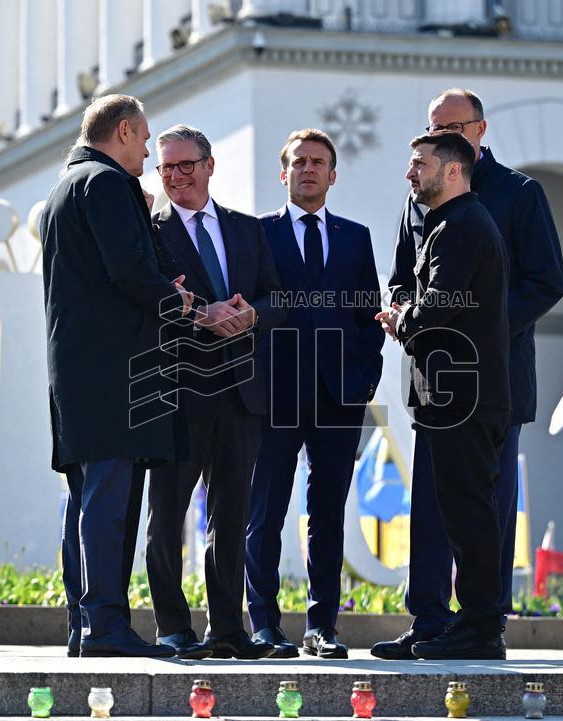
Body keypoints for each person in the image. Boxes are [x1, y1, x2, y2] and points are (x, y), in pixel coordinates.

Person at [374, 89, 563, 659]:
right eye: (433, 125)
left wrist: (478, 327)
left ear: (478, 131)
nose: (439, 136)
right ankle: (430, 619)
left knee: (484, 504)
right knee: (435, 503)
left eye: (452, 126)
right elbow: (405, 275)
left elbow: (545, 283)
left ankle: (484, 622)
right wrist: (413, 315)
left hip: (491, 375)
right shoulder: (423, 195)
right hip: (434, 374)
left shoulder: (517, 194)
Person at [39, 94, 192, 658]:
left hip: (81, 372)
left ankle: (86, 622)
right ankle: (104, 626)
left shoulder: (65, 186)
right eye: (146, 138)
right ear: (124, 130)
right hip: (116, 371)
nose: (149, 150)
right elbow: (129, 270)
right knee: (109, 503)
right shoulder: (105, 184)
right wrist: (183, 303)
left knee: (87, 499)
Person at [146, 124, 284, 660]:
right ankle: (172, 628)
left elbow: (278, 299)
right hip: (178, 392)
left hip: (241, 394)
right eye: (166, 168)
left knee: (231, 516)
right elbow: (147, 307)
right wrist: (202, 317)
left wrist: (251, 315)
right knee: (169, 515)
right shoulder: (150, 233)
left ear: (209, 166)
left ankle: (227, 629)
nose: (177, 176)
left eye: (186, 165)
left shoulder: (247, 230)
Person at [245, 129, 384, 659]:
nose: (308, 169)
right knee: (266, 513)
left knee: (328, 515)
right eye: (298, 161)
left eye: (318, 162)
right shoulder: (258, 234)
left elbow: (368, 316)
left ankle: (322, 627)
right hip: (275, 398)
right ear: (283, 173)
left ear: (333, 174)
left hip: (338, 398)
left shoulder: (355, 237)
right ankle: (264, 625)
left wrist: (363, 381)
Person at [376, 131, 510, 659]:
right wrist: (408, 312)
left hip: (465, 398)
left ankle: (480, 628)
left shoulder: (461, 226)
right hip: (449, 396)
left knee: (469, 512)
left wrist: (401, 320)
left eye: (419, 164)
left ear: (453, 170)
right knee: (458, 511)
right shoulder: (447, 223)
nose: (410, 173)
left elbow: (438, 307)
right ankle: (453, 624)